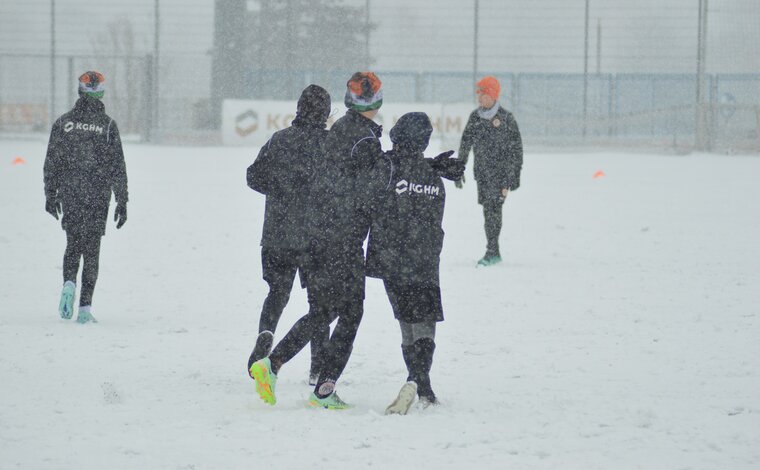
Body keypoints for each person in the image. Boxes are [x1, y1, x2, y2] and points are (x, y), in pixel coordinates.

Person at [249, 72, 385, 410]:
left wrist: (283, 193)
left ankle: (272, 355)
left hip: (293, 233)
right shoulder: (346, 139)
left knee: (298, 300)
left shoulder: (297, 137)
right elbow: (366, 187)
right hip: (331, 235)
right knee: (336, 309)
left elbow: (255, 176)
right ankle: (320, 381)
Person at [365, 113, 463, 414]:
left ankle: (420, 384)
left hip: (392, 259)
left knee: (407, 324)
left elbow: (369, 200)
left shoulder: (387, 167)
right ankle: (419, 383)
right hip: (424, 260)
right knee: (425, 326)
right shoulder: (434, 176)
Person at [245, 84, 332, 385]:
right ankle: (318, 368)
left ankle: (265, 337)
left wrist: (281, 190)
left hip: (276, 234)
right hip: (315, 237)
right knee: (319, 303)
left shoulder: (278, 140)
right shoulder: (330, 144)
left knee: (277, 293)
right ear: (326, 113)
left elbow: (252, 176)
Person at [43, 71, 128, 323]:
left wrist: (50, 193)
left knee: (73, 243)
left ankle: (69, 282)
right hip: (97, 194)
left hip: (70, 192)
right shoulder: (108, 126)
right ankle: (84, 309)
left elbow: (51, 162)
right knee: (92, 250)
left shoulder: (63, 123)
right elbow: (117, 166)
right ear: (101, 92)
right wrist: (122, 200)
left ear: (79, 91)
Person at [456, 75, 523, 266]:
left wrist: (513, 177)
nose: (480, 98)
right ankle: (493, 250)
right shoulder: (475, 118)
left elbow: (516, 149)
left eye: (483, 94)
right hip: (483, 174)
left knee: (494, 209)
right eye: (479, 94)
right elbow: (465, 143)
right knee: (488, 210)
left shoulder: (506, 119)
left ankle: (492, 251)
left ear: (493, 95)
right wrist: (459, 168)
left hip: (501, 175)